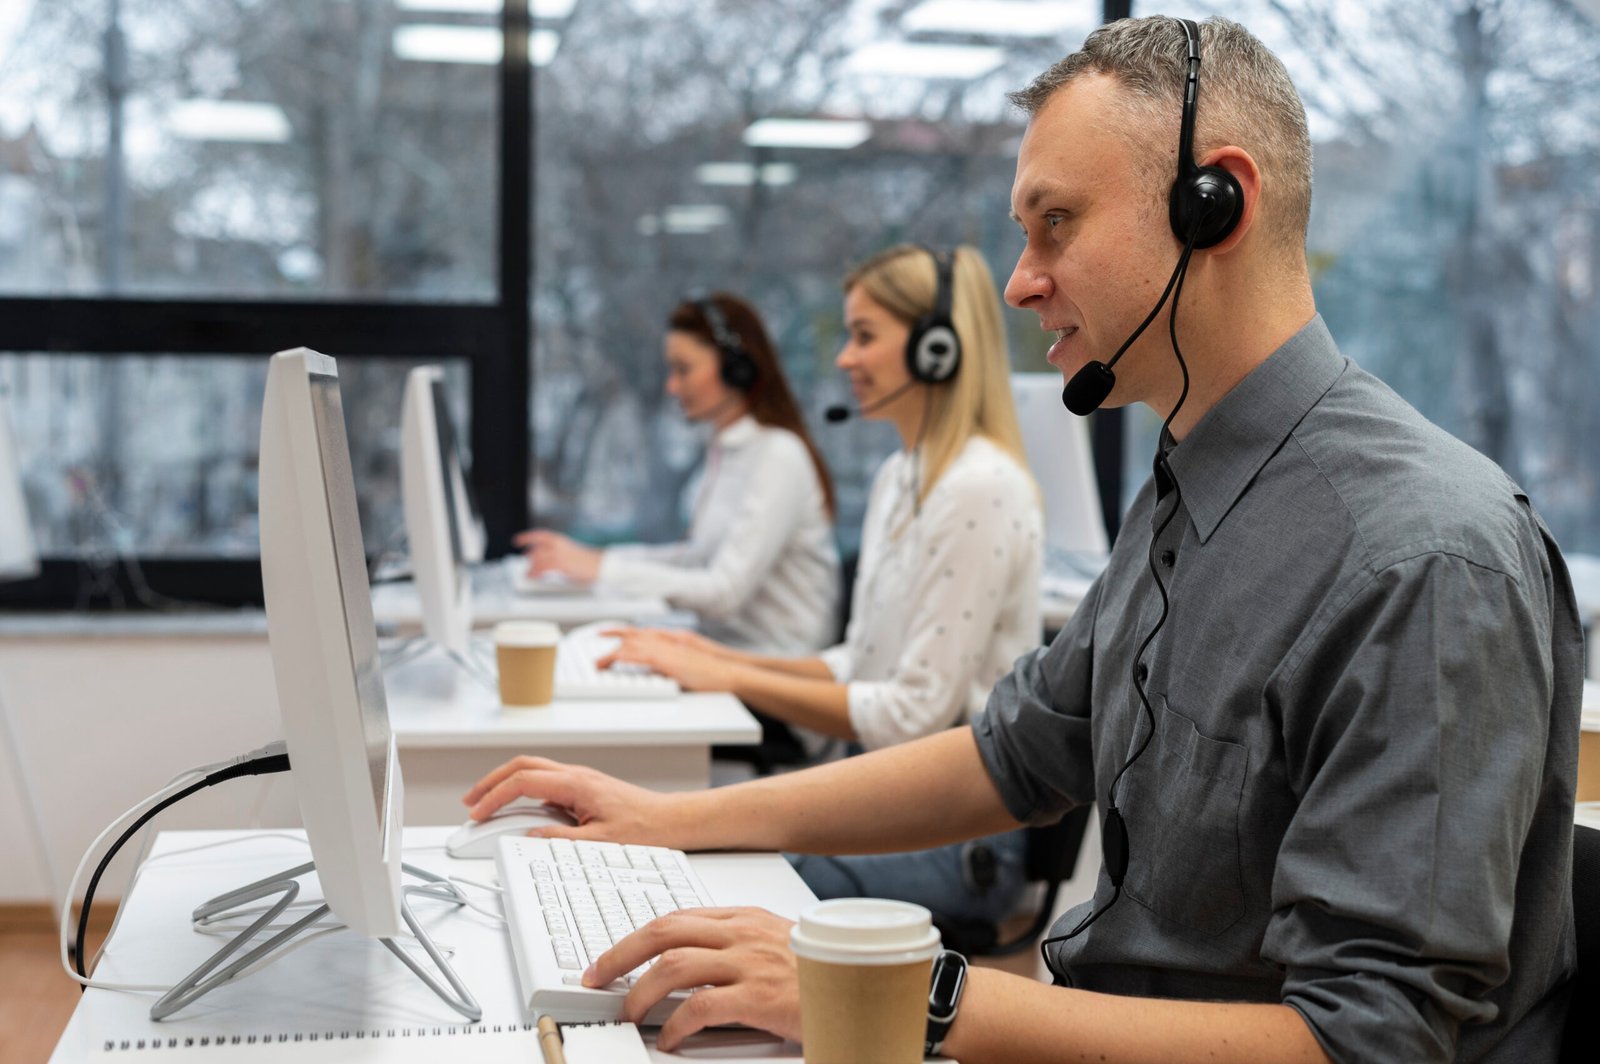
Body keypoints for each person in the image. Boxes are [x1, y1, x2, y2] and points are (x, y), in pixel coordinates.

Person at [464, 16, 1581, 1063]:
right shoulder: (1190, 490)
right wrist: (669, 820)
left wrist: (914, 993)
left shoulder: (1426, 557)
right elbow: (1012, 755)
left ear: (1215, 205)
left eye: (1058, 223)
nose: (1019, 280)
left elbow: (1368, 1040)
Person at [597, 244, 1044, 925]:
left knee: (716, 868)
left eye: (864, 337)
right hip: (893, 799)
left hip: (961, 839)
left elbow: (911, 713)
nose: (843, 359)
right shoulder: (901, 479)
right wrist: (717, 661)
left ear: (938, 351)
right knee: (698, 851)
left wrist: (732, 678)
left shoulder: (979, 487)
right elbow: (856, 660)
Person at [517, 294, 839, 656]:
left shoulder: (778, 455)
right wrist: (591, 560)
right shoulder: (728, 449)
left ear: (737, 369)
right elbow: (696, 559)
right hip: (723, 654)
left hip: (773, 673)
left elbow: (724, 592)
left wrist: (603, 569)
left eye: (684, 370)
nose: (672, 386)